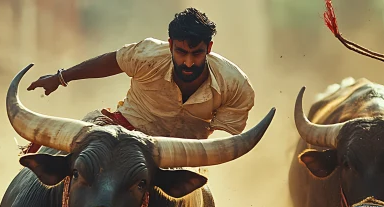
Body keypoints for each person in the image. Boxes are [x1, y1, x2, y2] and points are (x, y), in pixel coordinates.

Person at [25, 7, 255, 150]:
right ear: (171, 45)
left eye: (196, 54)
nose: (188, 62)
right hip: (124, 133)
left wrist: (189, 157)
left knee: (203, 202)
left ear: (209, 48)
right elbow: (111, 61)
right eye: (181, 52)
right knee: (75, 158)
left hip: (179, 155)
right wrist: (60, 77)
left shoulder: (235, 85)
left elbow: (223, 142)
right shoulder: (147, 55)